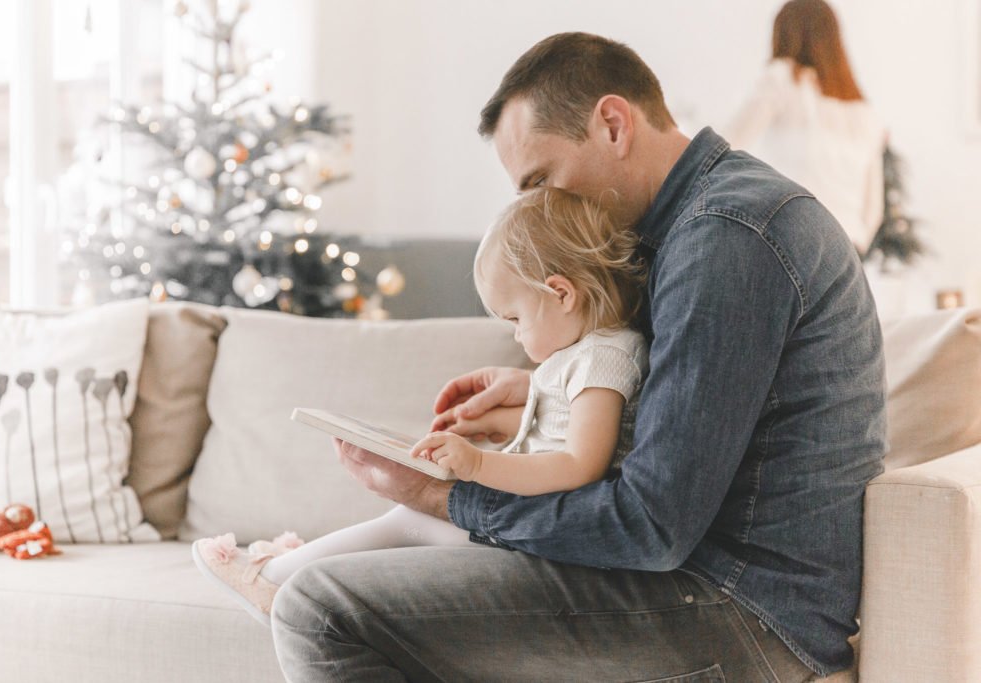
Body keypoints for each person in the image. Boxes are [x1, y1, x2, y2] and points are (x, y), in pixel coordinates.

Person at [272, 32, 885, 681]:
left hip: (741, 611)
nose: (539, 209)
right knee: (369, 582)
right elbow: (681, 425)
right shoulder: (694, 224)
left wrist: (448, 498)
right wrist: (549, 390)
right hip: (709, 581)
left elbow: (650, 526)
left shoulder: (727, 238)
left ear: (613, 124)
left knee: (319, 608)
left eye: (541, 180)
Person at [191, 186, 649, 626]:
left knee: (409, 518)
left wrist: (477, 464)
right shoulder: (585, 352)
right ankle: (290, 571)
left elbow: (579, 464)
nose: (515, 335)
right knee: (407, 521)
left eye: (515, 318)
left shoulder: (602, 359)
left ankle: (273, 581)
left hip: (542, 539)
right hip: (528, 525)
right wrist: (501, 426)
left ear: (562, 294)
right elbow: (568, 431)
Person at [725, 0, 886, 255]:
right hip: (847, 249)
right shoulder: (864, 111)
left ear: (784, 35)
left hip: (792, 240)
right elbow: (873, 208)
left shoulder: (782, 78)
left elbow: (726, 146)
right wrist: (857, 246)